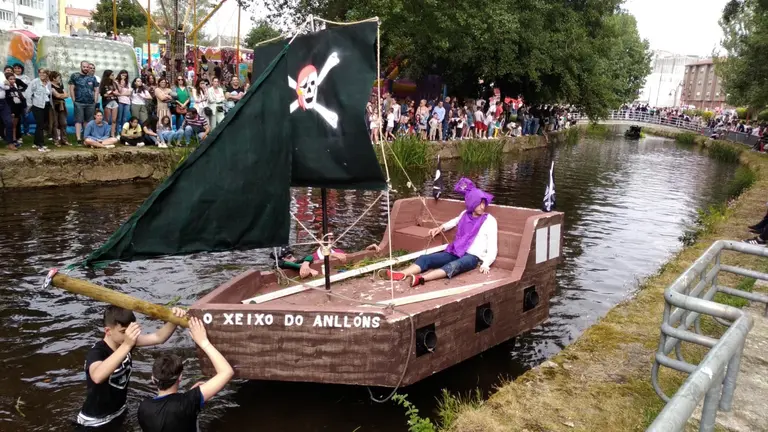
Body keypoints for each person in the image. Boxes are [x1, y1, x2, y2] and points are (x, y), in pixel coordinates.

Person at [75, 306, 186, 430]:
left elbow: (158, 337)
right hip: (94, 422)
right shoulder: (97, 352)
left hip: (118, 412)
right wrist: (127, 344)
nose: (128, 336)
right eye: (123, 332)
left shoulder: (126, 342)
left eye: (130, 331)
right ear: (108, 331)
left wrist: (174, 320)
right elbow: (97, 376)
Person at [384, 178, 498, 287]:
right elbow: (454, 222)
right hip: (457, 250)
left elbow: (493, 246)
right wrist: (440, 228)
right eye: (479, 203)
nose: (483, 206)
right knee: (425, 258)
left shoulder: (489, 220)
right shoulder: (465, 214)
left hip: (473, 257)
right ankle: (402, 274)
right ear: (472, 203)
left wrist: (486, 263)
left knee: (454, 266)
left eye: (484, 203)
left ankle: (422, 279)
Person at [137, 317, 233, 432]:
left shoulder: (144, 407)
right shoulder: (188, 402)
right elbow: (227, 372)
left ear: (153, 379)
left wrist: (190, 396)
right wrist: (204, 342)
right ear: (181, 377)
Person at [69, 61, 99, 145]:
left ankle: (86, 137)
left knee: (88, 121)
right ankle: (78, 138)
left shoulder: (92, 78)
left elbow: (96, 90)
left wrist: (95, 100)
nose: (86, 68)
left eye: (87, 67)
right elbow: (71, 88)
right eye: (84, 67)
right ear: (81, 66)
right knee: (78, 120)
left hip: (90, 103)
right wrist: (74, 100)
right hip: (79, 102)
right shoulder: (75, 76)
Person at [28, 68, 53, 151]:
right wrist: (30, 105)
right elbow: (28, 94)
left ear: (47, 74)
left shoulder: (48, 83)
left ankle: (35, 143)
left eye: (44, 73)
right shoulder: (35, 82)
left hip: (46, 105)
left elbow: (49, 95)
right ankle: (40, 145)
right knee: (40, 124)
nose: (42, 74)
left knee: (41, 125)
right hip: (37, 106)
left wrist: (51, 105)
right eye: (40, 72)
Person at [49, 71, 70, 147]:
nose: (60, 79)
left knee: (63, 123)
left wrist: (62, 95)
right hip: (54, 106)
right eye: (58, 77)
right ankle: (56, 140)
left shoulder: (60, 85)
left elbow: (67, 95)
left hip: (62, 106)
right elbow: (57, 95)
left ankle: (64, 139)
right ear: (54, 78)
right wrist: (62, 95)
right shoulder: (50, 85)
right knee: (55, 123)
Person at [6, 74, 25, 148]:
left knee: (15, 126)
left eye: (14, 79)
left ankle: (14, 139)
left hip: (17, 109)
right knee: (9, 125)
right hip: (10, 109)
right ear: (7, 80)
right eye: (10, 79)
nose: (12, 80)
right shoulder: (6, 89)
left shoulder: (15, 88)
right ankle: (9, 140)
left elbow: (20, 98)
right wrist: (10, 111)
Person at [99, 70, 118, 137]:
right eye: (112, 75)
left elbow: (118, 93)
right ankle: (105, 134)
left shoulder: (114, 84)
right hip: (107, 102)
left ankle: (112, 134)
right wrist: (111, 94)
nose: (113, 76)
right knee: (106, 119)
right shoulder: (103, 84)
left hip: (115, 102)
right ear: (108, 76)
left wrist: (115, 92)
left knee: (114, 120)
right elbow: (103, 94)